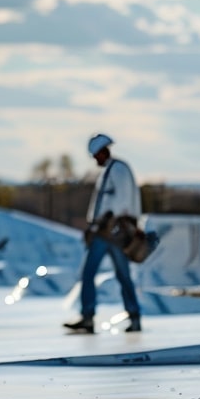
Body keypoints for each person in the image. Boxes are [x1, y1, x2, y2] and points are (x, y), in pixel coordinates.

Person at [64, 133, 143, 334]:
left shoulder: (119, 170)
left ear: (102, 151)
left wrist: (99, 225)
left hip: (111, 233)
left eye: (95, 155)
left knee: (97, 273)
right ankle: (130, 317)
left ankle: (93, 317)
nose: (95, 160)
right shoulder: (111, 170)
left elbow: (122, 204)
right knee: (119, 275)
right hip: (107, 232)